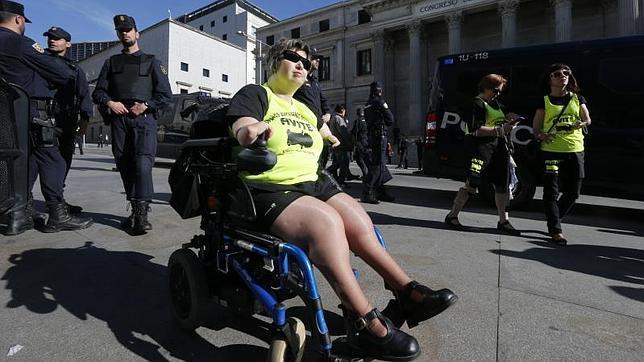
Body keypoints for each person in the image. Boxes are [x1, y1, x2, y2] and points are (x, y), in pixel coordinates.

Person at [226, 38, 457, 361]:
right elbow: (242, 126)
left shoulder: (305, 108)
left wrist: (338, 135)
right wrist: (251, 130)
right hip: (270, 187)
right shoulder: (256, 94)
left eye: (306, 63)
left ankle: (406, 291)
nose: (301, 66)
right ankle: (366, 324)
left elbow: (331, 136)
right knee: (327, 223)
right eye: (293, 58)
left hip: (313, 183)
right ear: (275, 61)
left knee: (358, 219)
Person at [0, 0, 93, 234]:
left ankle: (17, 216)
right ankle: (57, 215)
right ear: (18, 19)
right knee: (53, 160)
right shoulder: (19, 43)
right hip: (29, 111)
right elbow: (61, 74)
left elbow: (82, 94)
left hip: (6, 117)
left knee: (19, 163)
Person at [92, 14, 172, 234]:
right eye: (121, 30)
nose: (124, 33)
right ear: (118, 34)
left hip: (143, 120)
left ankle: (142, 214)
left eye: (128, 29)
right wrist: (110, 102)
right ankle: (135, 209)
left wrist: (146, 105)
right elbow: (98, 92)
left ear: (137, 33)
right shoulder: (111, 63)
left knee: (142, 165)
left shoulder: (152, 62)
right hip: (120, 119)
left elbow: (166, 96)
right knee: (124, 164)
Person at [444, 74, 522, 235]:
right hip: (479, 148)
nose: (498, 93)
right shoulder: (476, 104)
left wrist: (511, 120)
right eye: (495, 90)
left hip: (499, 147)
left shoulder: (495, 103)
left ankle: (504, 221)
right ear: (485, 87)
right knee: (472, 183)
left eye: (500, 91)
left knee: (502, 184)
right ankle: (453, 215)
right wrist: (500, 130)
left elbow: (503, 118)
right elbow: (474, 129)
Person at [532, 64, 591, 245]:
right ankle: (556, 230)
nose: (562, 76)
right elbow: (536, 128)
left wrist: (581, 124)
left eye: (566, 73)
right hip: (551, 151)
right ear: (550, 80)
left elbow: (588, 119)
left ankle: (555, 218)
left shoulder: (577, 98)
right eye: (557, 74)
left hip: (575, 150)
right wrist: (542, 134)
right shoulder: (544, 100)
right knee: (551, 191)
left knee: (574, 192)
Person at [43, 26, 92, 213]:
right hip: (39, 118)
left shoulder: (74, 68)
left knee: (63, 161)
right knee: (33, 163)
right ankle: (26, 203)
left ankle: (57, 201)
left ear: (68, 43)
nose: (52, 41)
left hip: (65, 121)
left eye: (57, 38)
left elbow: (84, 94)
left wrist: (85, 119)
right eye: (50, 38)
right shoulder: (39, 60)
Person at [294, 49, 332, 169]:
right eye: (315, 58)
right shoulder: (298, 78)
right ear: (307, 61)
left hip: (319, 126)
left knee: (323, 157)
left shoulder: (315, 82)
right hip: (304, 128)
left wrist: (327, 113)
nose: (318, 60)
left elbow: (323, 100)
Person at [361, 81, 395, 204]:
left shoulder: (367, 104)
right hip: (380, 136)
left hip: (372, 136)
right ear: (379, 91)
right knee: (378, 164)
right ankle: (367, 191)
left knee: (380, 164)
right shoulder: (379, 102)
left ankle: (380, 191)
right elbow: (390, 119)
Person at [326, 104, 353, 186]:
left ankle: (329, 176)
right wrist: (349, 142)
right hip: (342, 145)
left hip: (336, 144)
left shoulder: (333, 118)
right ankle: (338, 181)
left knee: (338, 163)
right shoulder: (339, 119)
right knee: (343, 164)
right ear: (342, 110)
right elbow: (344, 132)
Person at [352, 107, 369, 179]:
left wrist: (354, 142)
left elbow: (355, 132)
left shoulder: (358, 121)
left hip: (360, 142)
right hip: (366, 141)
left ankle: (365, 174)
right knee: (365, 158)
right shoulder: (367, 120)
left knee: (359, 159)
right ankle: (367, 174)